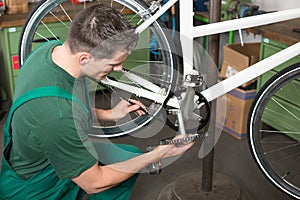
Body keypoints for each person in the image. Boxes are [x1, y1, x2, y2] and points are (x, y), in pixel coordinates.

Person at [0, 4, 194, 200]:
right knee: (125, 169)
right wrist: (159, 154)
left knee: (130, 156)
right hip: (36, 188)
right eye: (113, 63)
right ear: (85, 58)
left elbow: (70, 109)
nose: (119, 68)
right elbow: (95, 183)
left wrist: (110, 114)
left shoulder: (50, 52)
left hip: (52, 151)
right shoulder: (56, 114)